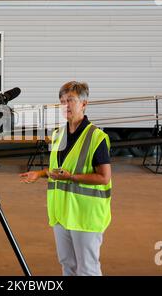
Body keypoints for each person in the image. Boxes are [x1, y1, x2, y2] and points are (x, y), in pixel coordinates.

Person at [20, 81, 112, 276]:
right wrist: (40, 173)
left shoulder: (97, 137)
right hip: (61, 214)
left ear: (84, 104)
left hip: (85, 215)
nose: (65, 105)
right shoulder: (57, 134)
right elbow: (59, 169)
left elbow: (104, 178)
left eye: (71, 100)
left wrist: (72, 178)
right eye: (62, 101)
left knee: (87, 268)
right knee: (67, 265)